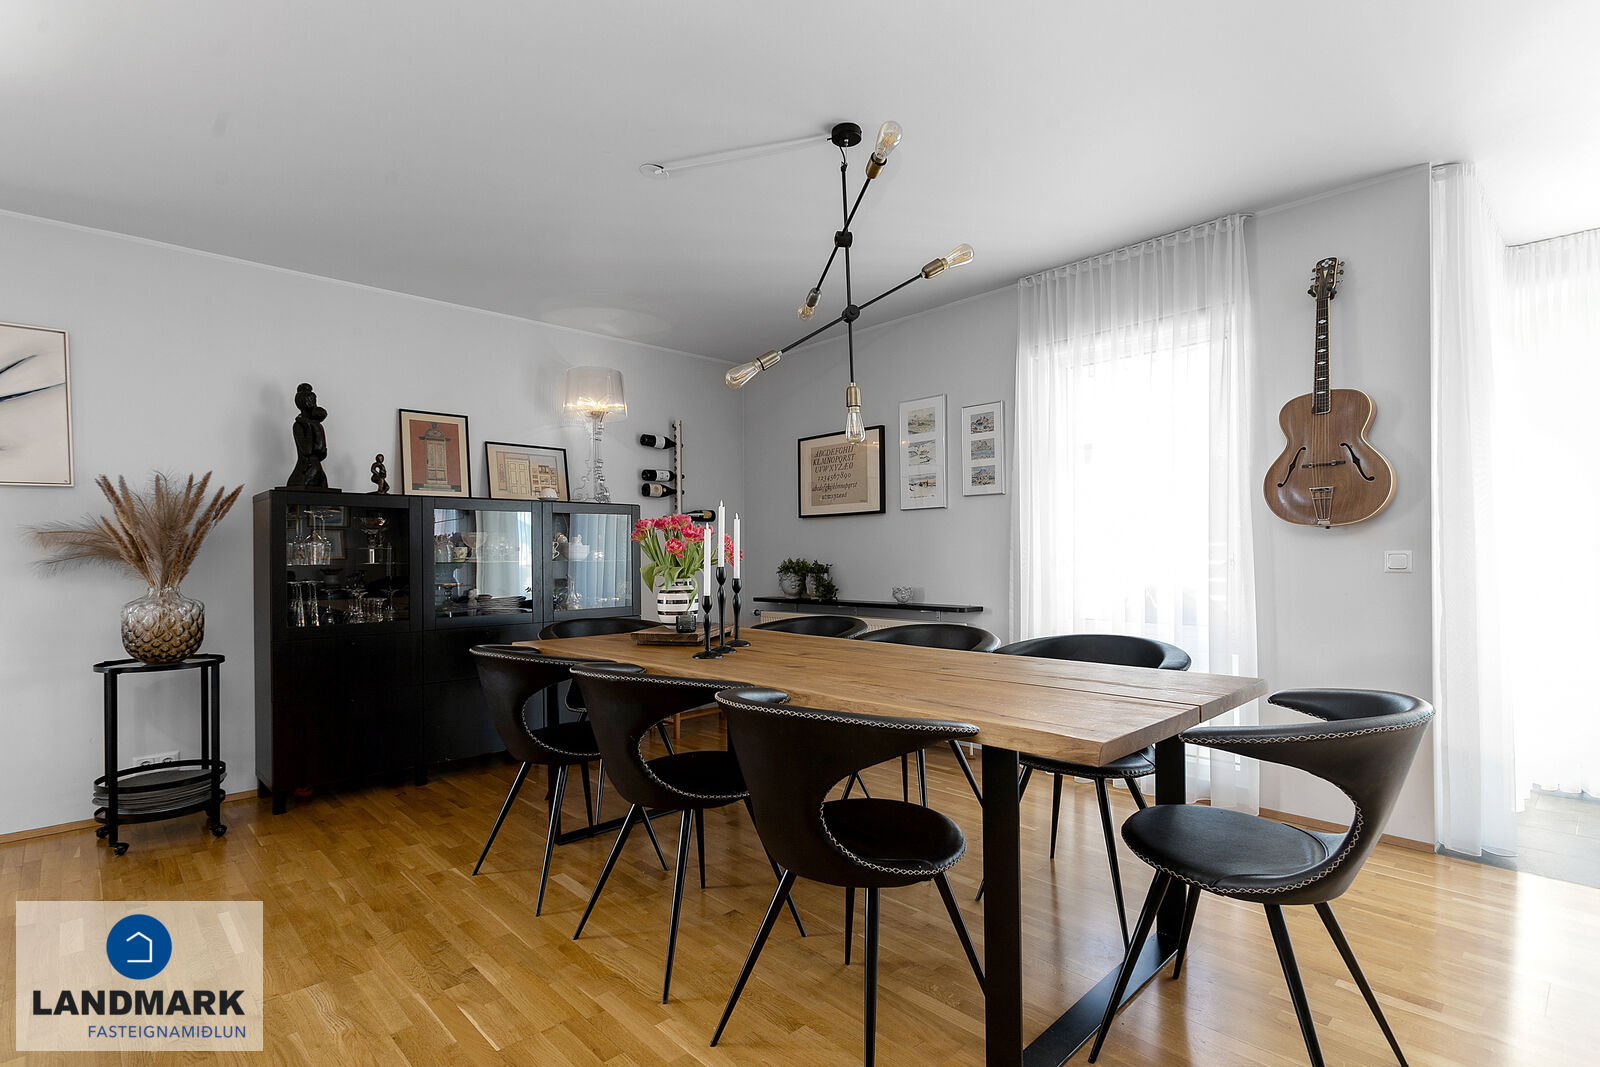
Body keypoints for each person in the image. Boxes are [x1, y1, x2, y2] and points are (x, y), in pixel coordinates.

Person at [287, 383, 329, 489]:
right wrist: (308, 426)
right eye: (311, 400)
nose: (314, 403)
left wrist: (309, 424)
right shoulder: (299, 425)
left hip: (313, 468)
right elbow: (307, 450)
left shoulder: (314, 424)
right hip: (307, 467)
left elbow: (322, 451)